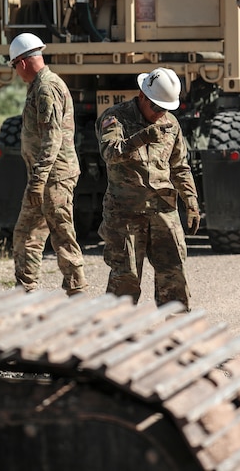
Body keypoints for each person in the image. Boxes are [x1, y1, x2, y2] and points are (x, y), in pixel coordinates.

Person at [95, 67, 201, 310]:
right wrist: (141, 137)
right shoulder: (115, 117)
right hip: (126, 213)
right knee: (126, 278)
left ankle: (176, 335)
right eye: (156, 107)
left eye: (165, 108)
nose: (160, 114)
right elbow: (110, 153)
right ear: (142, 95)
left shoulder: (171, 124)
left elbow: (180, 167)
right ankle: (115, 336)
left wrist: (191, 202)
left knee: (173, 274)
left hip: (163, 210)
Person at [8, 32, 87, 297]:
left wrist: (38, 181)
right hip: (43, 178)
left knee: (62, 233)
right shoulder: (41, 85)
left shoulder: (46, 87)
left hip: (54, 178)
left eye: (14, 67)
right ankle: (25, 289)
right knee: (26, 233)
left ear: (21, 63)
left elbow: (52, 138)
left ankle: (76, 292)